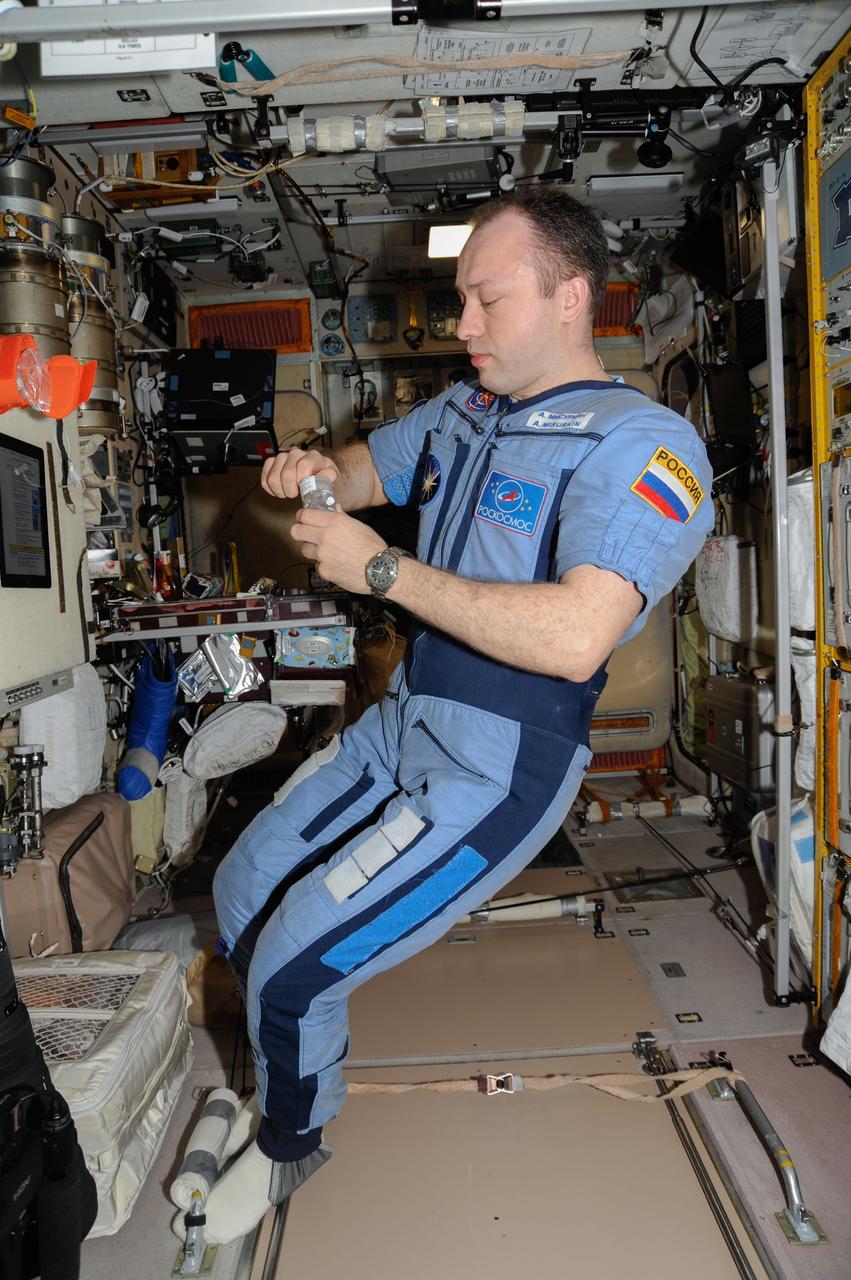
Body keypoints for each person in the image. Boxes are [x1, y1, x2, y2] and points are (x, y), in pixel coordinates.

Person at [191, 187, 714, 1244]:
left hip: (497, 758)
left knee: (294, 958)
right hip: (406, 720)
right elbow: (351, 473)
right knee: (243, 883)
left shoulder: (641, 445)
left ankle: (294, 1140)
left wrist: (381, 566)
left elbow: (576, 634)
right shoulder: (464, 412)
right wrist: (305, 475)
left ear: (570, 297)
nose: (461, 325)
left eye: (485, 298)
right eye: (458, 299)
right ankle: (282, 1065)